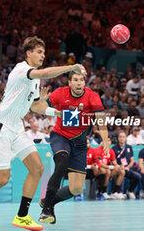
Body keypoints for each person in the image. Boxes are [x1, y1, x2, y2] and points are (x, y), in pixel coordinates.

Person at [0, 36, 86, 231]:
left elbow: (35, 106)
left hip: (17, 126)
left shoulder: (35, 80)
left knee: (37, 168)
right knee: (2, 178)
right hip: (1, 127)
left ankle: (22, 216)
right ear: (28, 53)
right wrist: (70, 67)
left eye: (44, 52)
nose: (43, 55)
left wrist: (55, 112)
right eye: (39, 52)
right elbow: (45, 72)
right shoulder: (21, 70)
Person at [38, 71, 109, 224]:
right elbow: (40, 108)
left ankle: (48, 202)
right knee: (62, 163)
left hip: (80, 143)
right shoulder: (60, 93)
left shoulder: (92, 96)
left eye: (81, 80)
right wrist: (42, 102)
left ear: (85, 82)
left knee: (76, 189)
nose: (78, 83)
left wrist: (105, 139)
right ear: (69, 82)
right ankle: (46, 211)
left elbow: (101, 121)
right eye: (75, 80)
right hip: (61, 136)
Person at [112, 132, 141, 200]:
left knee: (138, 176)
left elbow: (132, 161)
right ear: (118, 138)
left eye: (123, 137)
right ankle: (119, 192)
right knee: (122, 173)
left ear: (125, 138)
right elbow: (113, 161)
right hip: (118, 169)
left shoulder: (129, 147)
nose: (122, 138)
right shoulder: (114, 148)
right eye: (120, 137)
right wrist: (119, 167)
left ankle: (130, 191)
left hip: (127, 169)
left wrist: (127, 167)